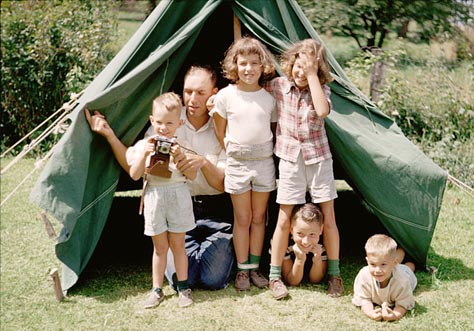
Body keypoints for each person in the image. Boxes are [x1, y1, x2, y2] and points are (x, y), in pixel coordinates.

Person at [85, 65, 234, 305]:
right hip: (176, 209)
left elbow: (226, 184)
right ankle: (177, 277)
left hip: (215, 212)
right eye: (188, 92)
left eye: (200, 93)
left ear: (214, 93)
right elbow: (133, 163)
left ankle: (213, 253)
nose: (193, 99)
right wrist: (109, 135)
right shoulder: (169, 117)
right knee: (181, 279)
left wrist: (203, 163)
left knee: (213, 279)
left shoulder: (222, 125)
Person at [265, 39, 343, 299]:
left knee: (328, 217)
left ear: (318, 70)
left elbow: (321, 111)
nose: (300, 72)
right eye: (298, 66)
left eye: (308, 68)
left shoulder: (321, 90)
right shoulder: (278, 86)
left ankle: (334, 274)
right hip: (290, 159)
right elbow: (251, 93)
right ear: (290, 64)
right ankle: (275, 276)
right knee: (284, 218)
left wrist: (312, 76)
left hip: (319, 159)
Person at [210, 37, 277, 291]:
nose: (248, 69)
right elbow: (220, 131)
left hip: (263, 161)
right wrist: (233, 152)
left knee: (259, 217)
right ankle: (241, 270)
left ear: (263, 66)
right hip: (237, 163)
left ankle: (254, 268)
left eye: (254, 63)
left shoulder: (268, 98)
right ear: (234, 65)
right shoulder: (226, 96)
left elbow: (272, 128)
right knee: (242, 217)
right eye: (243, 63)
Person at [127, 92, 195, 308]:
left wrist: (179, 157)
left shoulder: (182, 144)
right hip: (155, 196)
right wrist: (143, 155)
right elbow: (135, 175)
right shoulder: (145, 144)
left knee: (178, 245)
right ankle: (157, 290)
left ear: (179, 123)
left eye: (169, 123)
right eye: (159, 122)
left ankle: (183, 287)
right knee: (159, 247)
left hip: (178, 194)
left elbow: (191, 175)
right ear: (151, 120)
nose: (163, 128)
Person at [352, 234, 417, 321]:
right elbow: (364, 299)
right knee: (394, 262)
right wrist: (370, 312)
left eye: (383, 264)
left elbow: (402, 304)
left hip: (405, 273)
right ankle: (400, 252)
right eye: (373, 264)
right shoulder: (364, 275)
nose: (377, 270)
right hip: (392, 267)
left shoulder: (402, 281)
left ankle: (404, 249)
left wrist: (394, 315)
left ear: (394, 263)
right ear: (367, 261)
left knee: (408, 267)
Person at [278, 203, 327, 286]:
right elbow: (292, 281)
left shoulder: (321, 246)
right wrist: (299, 261)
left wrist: (317, 260)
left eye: (312, 234)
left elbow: (315, 280)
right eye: (300, 234)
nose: (305, 242)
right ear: (291, 229)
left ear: (321, 230)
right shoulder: (284, 244)